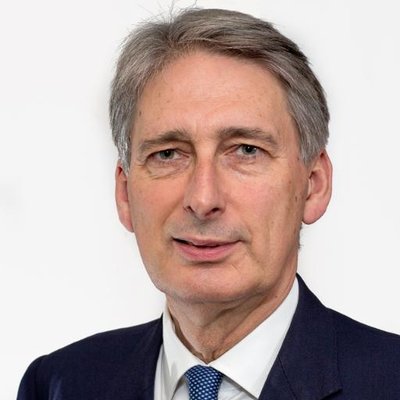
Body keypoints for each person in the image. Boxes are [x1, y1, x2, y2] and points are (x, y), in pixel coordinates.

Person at [17, 8, 400, 400]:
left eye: (246, 150)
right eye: (168, 154)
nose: (203, 200)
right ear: (125, 192)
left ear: (314, 186)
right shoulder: (58, 384)